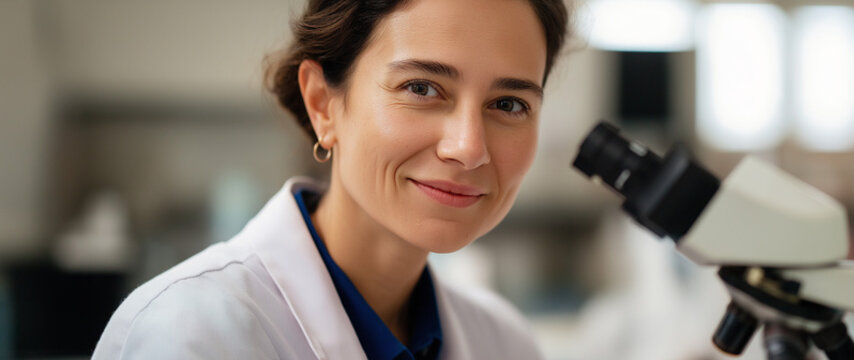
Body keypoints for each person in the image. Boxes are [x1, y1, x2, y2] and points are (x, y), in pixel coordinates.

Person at [92, 0, 568, 358]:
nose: (468, 148)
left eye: (509, 104)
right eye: (421, 88)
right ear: (322, 103)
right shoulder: (192, 334)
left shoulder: (507, 344)